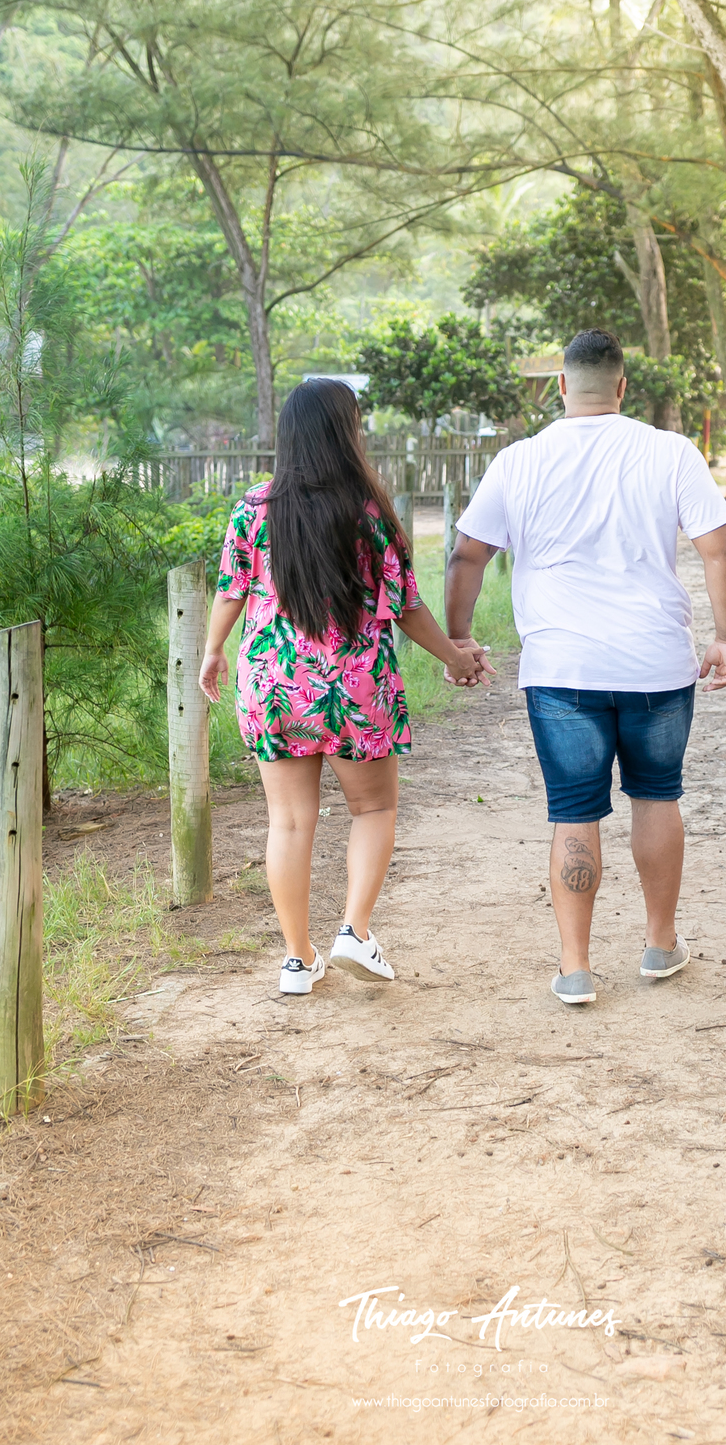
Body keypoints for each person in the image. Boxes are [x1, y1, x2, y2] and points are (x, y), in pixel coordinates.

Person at [444, 329, 726, 1006]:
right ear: (622, 386)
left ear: (560, 386)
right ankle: (660, 945)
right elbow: (720, 551)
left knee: (574, 809)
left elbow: (468, 556)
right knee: (657, 793)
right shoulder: (670, 452)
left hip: (562, 666)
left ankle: (575, 967)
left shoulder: (519, 460)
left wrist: (459, 638)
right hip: (657, 663)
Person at [199, 379, 490, 996]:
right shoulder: (369, 510)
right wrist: (455, 657)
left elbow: (231, 589)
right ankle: (354, 932)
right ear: (346, 431)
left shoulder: (255, 506)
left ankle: (299, 961)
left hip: (273, 682)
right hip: (354, 685)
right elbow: (406, 607)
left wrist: (212, 650)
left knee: (289, 822)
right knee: (374, 807)